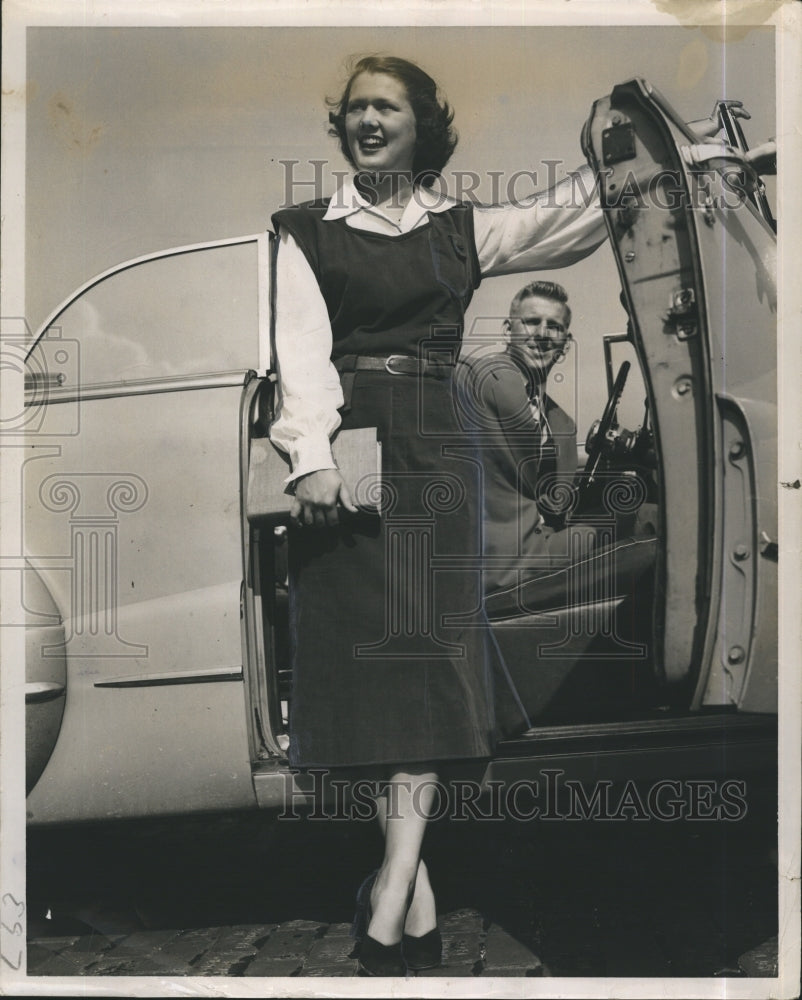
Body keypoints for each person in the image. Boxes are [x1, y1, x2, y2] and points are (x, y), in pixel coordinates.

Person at [269, 54, 606, 976]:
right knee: (377, 689)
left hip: (434, 451)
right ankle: (410, 896)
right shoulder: (303, 230)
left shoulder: (463, 229)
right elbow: (296, 351)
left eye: (388, 107)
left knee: (422, 679)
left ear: (423, 125)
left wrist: (632, 157)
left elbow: (562, 221)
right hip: (352, 450)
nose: (368, 121)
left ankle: (387, 905)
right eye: (355, 109)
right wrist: (311, 458)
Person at [462, 280, 599, 604]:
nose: (542, 334)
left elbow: (554, 503)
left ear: (565, 343)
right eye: (532, 322)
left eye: (554, 327)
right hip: (488, 566)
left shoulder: (562, 424)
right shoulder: (479, 380)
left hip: (539, 549)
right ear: (508, 329)